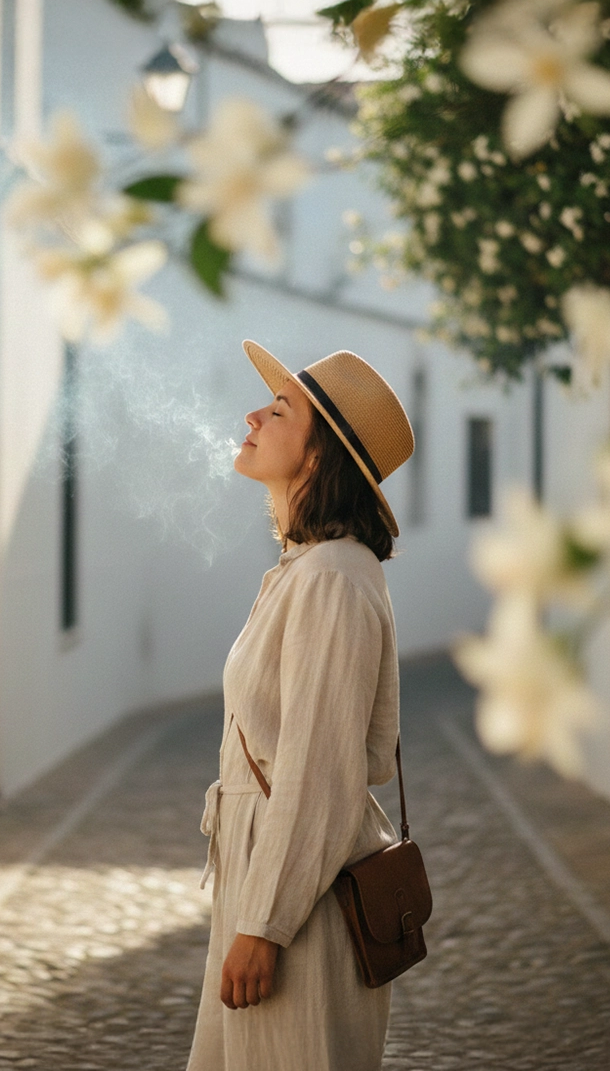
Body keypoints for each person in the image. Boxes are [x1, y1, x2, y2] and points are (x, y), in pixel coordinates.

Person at [186, 340, 415, 1071]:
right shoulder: (301, 571)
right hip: (267, 884)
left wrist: (265, 926)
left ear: (321, 457)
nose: (253, 413)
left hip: (300, 911)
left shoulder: (333, 580)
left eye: (280, 410)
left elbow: (321, 769)